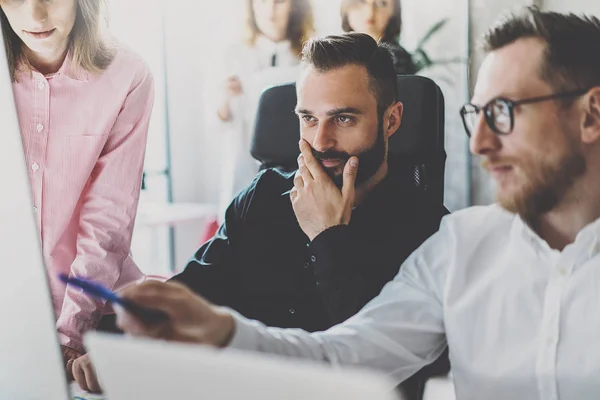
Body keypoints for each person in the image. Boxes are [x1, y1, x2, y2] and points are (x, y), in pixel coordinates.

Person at [114, 7, 600, 399]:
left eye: (503, 112)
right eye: (478, 113)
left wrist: (330, 240)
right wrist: (206, 331)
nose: (478, 143)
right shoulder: (461, 248)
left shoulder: (430, 229)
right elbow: (347, 355)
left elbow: (393, 380)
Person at [72, 32, 450, 396]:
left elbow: (369, 357)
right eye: (309, 118)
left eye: (344, 119)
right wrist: (117, 347)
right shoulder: (265, 196)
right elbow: (196, 290)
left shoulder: (431, 231)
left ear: (392, 120)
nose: (321, 141)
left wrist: (328, 237)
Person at [0, 0, 153, 372]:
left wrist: (70, 334)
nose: (35, 15)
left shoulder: (127, 76)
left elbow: (108, 220)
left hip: (94, 317)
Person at [209, 0, 314, 218]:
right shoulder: (233, 54)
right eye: (262, 1)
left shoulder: (311, 54)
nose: (270, 10)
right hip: (244, 170)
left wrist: (252, 84)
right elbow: (216, 122)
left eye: (279, 2)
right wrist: (225, 98)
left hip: (294, 169)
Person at [341, 0, 415, 75]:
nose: (370, 11)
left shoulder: (396, 58)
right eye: (361, 1)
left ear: (393, 12)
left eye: (381, 3)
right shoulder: (339, 53)